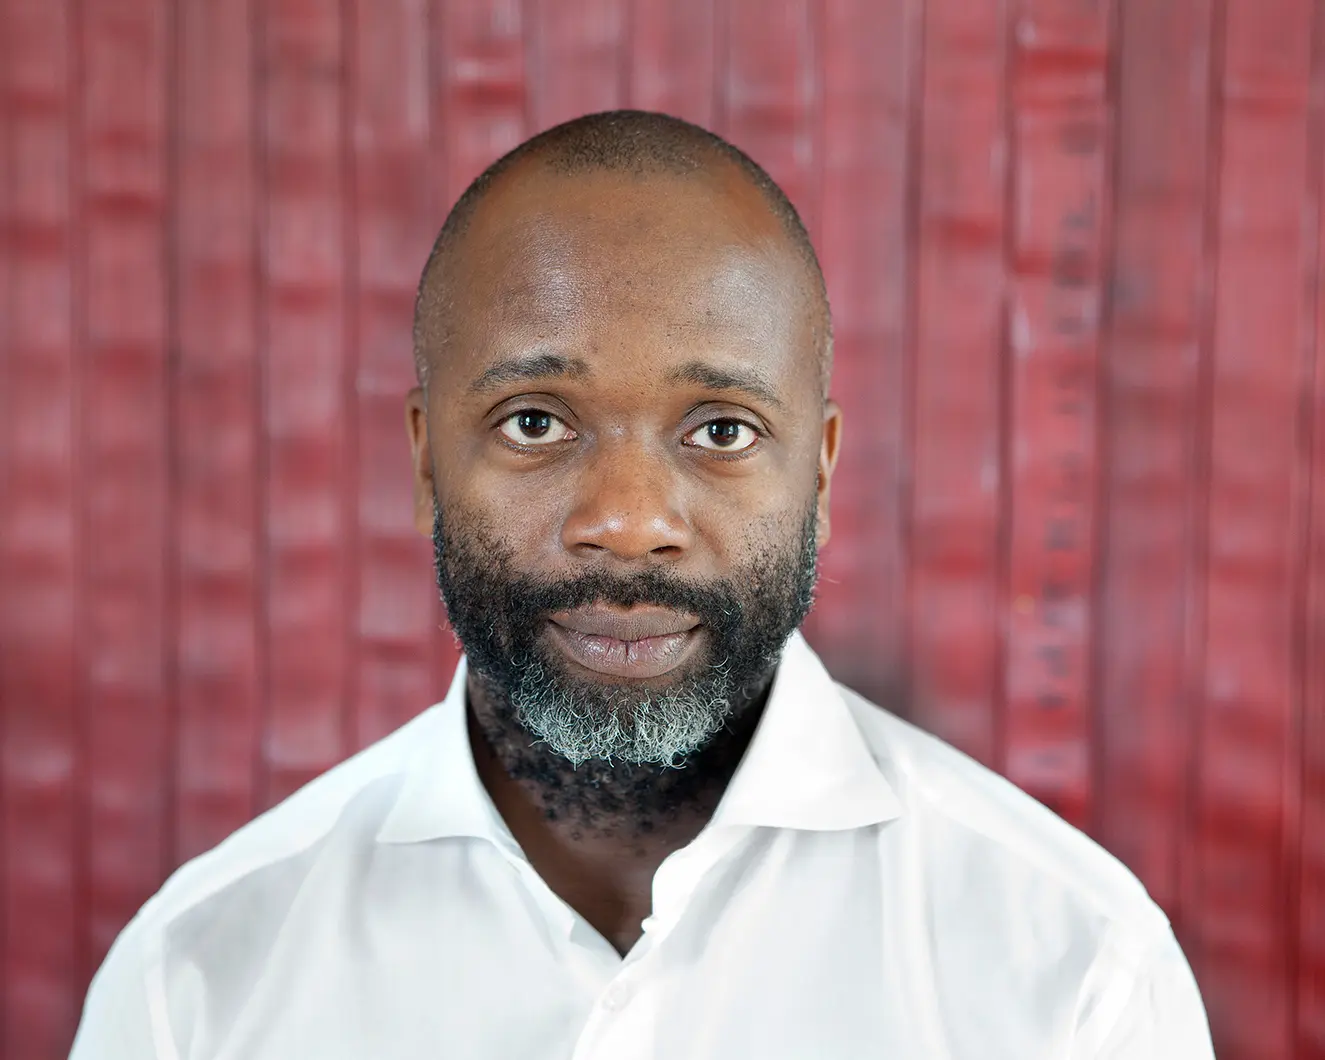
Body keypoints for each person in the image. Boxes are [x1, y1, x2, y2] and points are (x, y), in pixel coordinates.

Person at [69, 110, 1213, 1059]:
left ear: (816, 468)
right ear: (425, 461)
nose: (625, 521)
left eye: (719, 428)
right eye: (534, 421)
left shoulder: (1069, 970)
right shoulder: (198, 984)